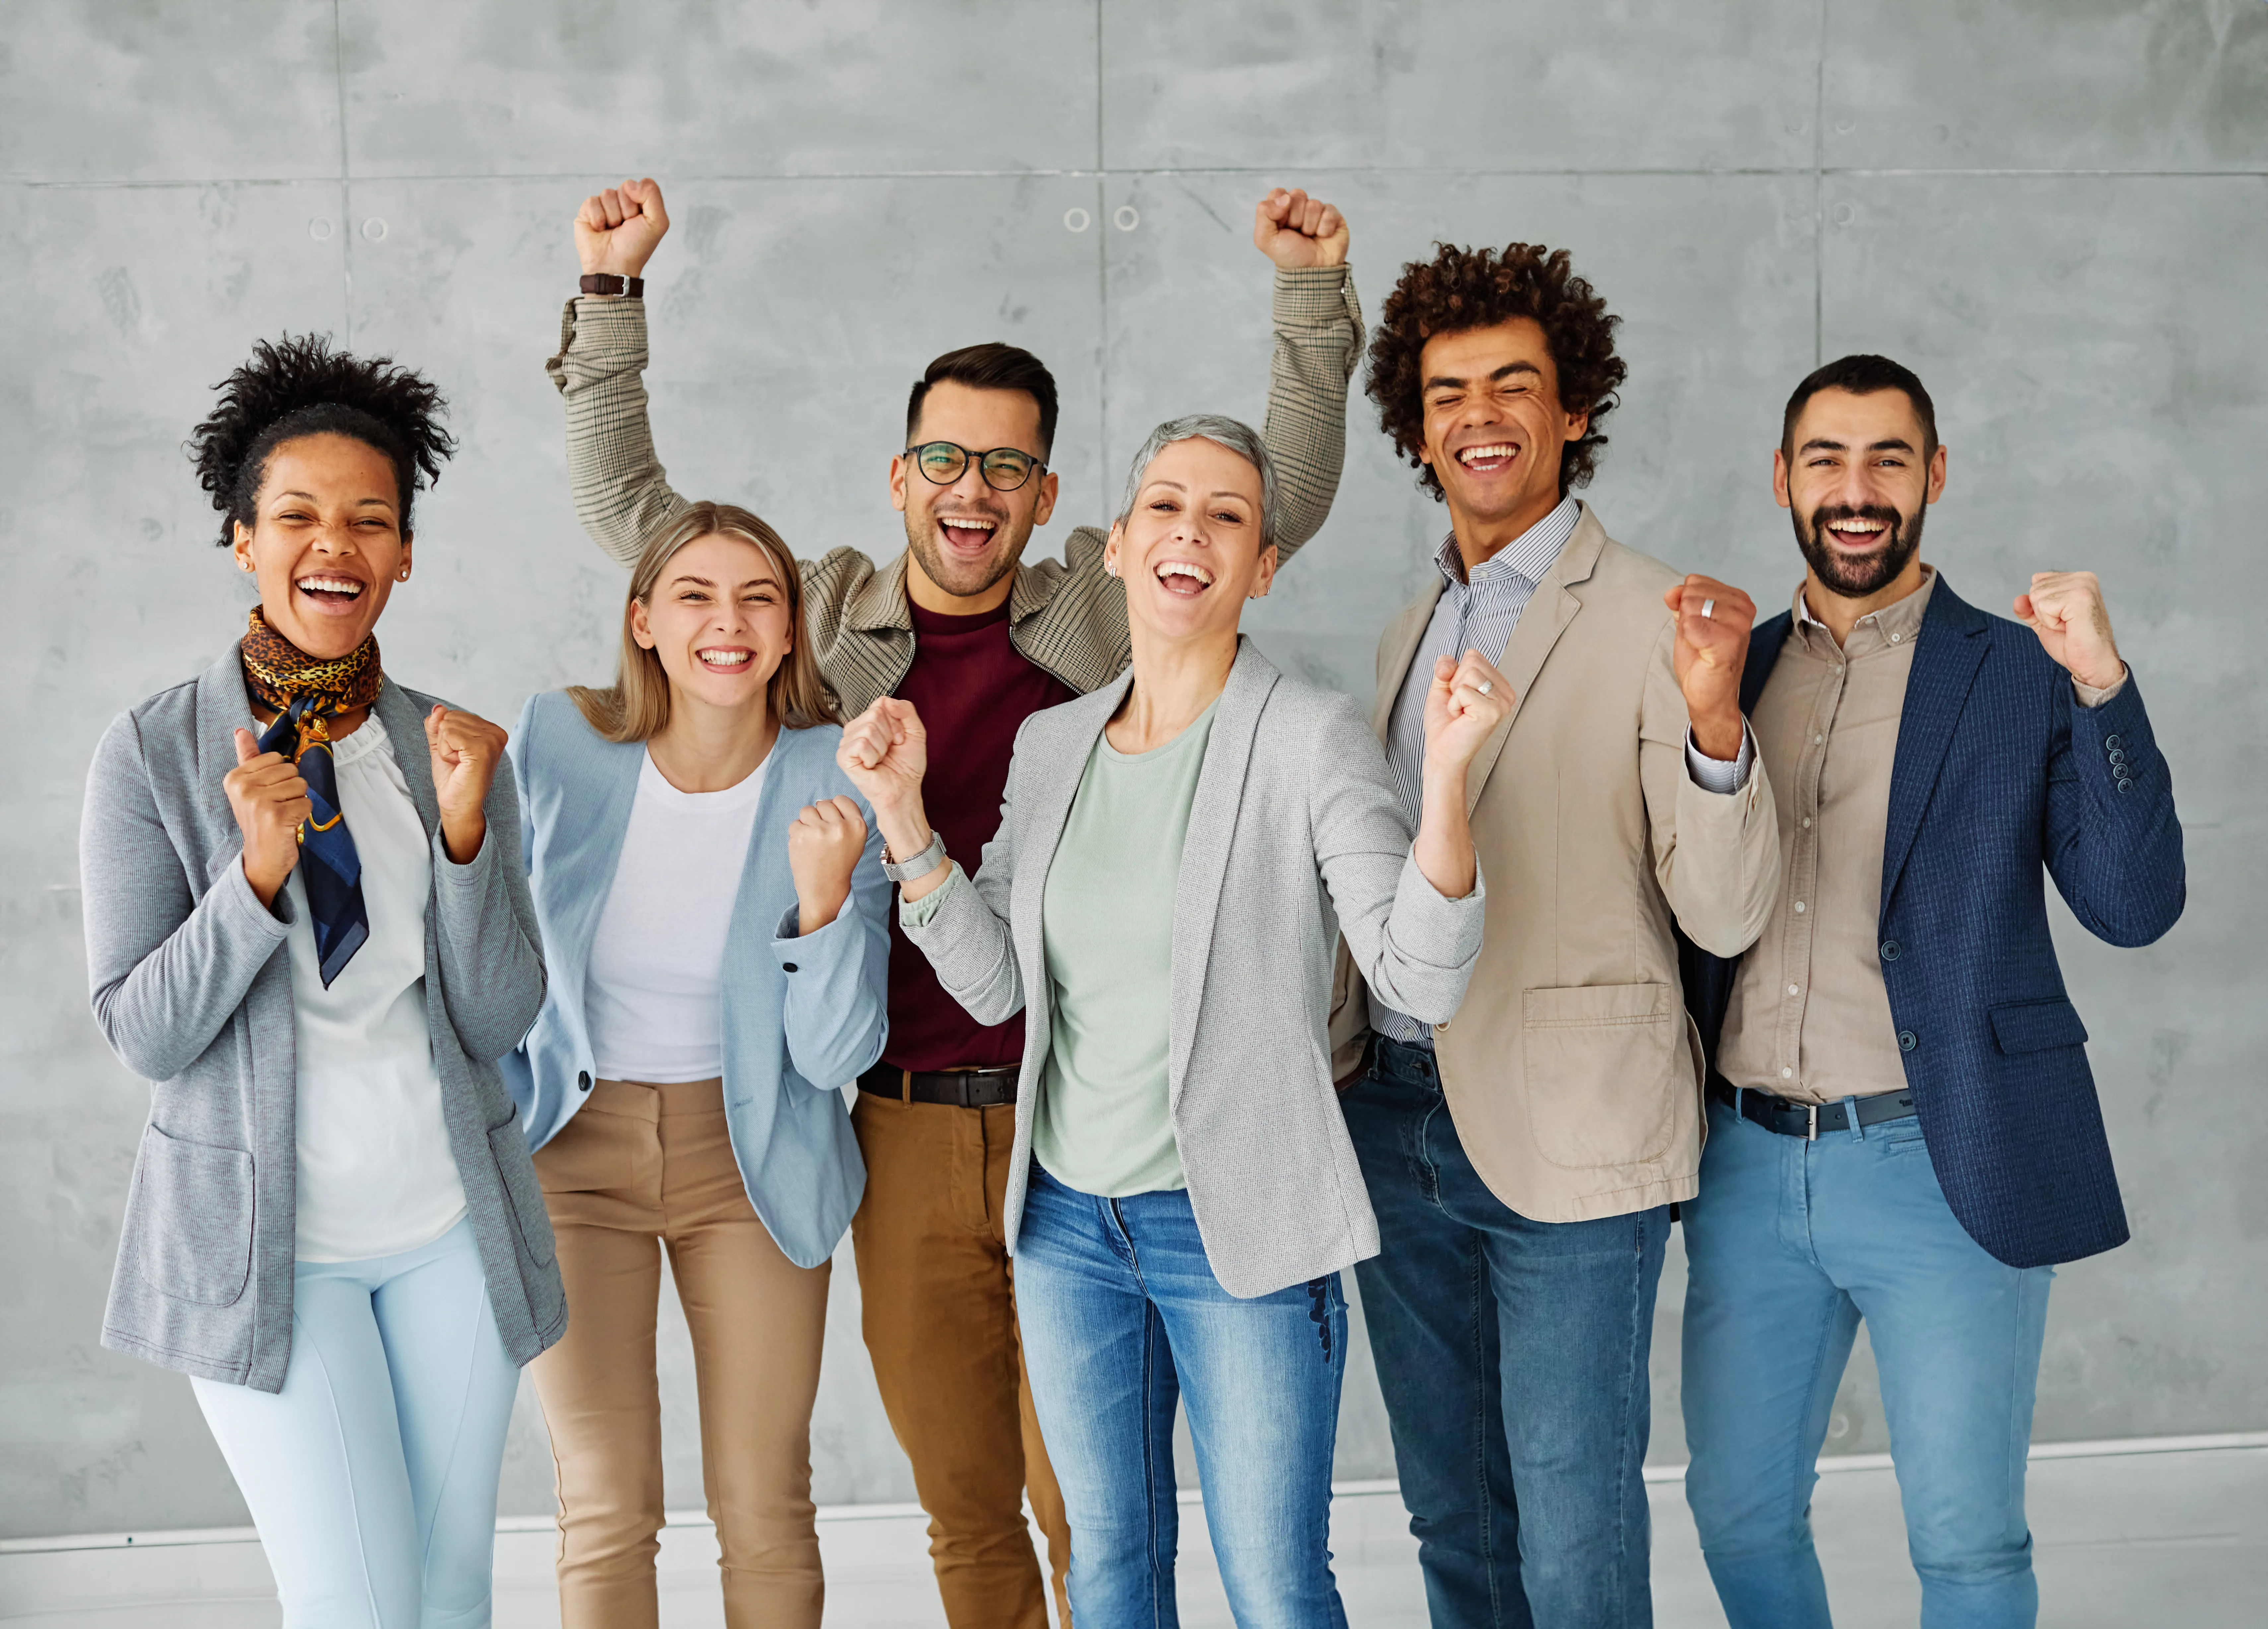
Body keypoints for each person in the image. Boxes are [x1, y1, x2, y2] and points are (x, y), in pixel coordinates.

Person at [550, 173, 1364, 1627]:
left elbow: (1266, 501)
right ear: (899, 473)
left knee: (1093, 1510)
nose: (969, 490)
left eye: (1004, 468)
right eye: (942, 457)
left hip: (1080, 1117)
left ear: (1050, 500)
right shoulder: (817, 619)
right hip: (904, 1117)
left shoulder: (1101, 606)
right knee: (966, 1511)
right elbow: (647, 526)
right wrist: (611, 296)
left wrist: (1307, 303)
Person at [829, 414, 1507, 1627]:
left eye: (1227, 515)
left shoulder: (1308, 737)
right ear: (1117, 544)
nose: (1189, 530)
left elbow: (1417, 981)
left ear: (1261, 565)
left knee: (1276, 1585)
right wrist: (901, 817)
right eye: (1165, 506)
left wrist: (1446, 780)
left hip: (1234, 1231)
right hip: (1065, 1228)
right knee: (1111, 1573)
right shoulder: (1052, 746)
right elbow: (993, 987)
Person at [1676, 355, 2186, 1628]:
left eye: (1887, 461)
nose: (1856, 492)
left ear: (1934, 475)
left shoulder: (2019, 672)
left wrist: (2103, 684)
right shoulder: (1724, 670)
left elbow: (2133, 907)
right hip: (1742, 1165)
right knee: (1735, 1514)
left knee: (1963, 1544)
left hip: (1942, 1155)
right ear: (1783, 479)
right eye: (1826, 461)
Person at [1329, 242, 1783, 1627]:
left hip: (1573, 1132)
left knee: (1573, 1517)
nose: (1480, 414)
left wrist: (1716, 728)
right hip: (1394, 1116)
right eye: (1447, 390)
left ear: (1572, 408)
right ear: (1414, 430)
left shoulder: (1658, 616)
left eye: (1513, 384)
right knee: (1450, 1507)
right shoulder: (1410, 623)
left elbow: (1723, 908)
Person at [79, 335, 559, 1628]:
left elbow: (500, 1019)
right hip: (264, 1255)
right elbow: (146, 1029)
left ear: (405, 553)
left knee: (451, 1595)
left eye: (370, 520)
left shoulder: (450, 749)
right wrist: (250, 881)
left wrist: (465, 839)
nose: (332, 544)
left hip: (451, 1237)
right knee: (354, 1601)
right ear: (243, 539)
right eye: (295, 514)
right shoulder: (150, 755)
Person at [503, 501, 890, 1627]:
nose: (729, 622)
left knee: (764, 1499)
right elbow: (492, 957)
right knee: (607, 1500)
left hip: (754, 1156)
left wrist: (822, 905)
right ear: (644, 623)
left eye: (758, 598)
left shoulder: (838, 766)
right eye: (695, 595)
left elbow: (837, 1050)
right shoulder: (561, 740)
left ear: (788, 634)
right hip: (572, 1159)